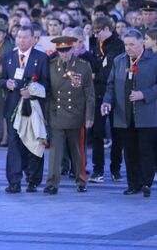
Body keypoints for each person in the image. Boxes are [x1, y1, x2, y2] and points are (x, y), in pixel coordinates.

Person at [102, 29, 157, 197]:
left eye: (132, 44)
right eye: (126, 44)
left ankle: (146, 183)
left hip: (147, 115)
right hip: (124, 114)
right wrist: (106, 101)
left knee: (146, 151)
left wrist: (144, 94)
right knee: (130, 151)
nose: (128, 48)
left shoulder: (153, 61)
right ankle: (133, 184)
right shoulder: (119, 61)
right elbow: (110, 85)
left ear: (142, 44)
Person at [43, 36, 95, 194]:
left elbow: (90, 94)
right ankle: (52, 183)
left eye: (66, 50)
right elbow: (48, 92)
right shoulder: (51, 66)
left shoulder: (83, 66)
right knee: (55, 151)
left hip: (76, 114)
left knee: (77, 151)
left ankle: (81, 180)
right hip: (57, 114)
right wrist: (46, 116)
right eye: (60, 50)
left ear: (73, 49)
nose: (64, 53)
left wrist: (89, 116)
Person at [1, 25, 49, 193]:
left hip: (33, 108)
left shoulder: (41, 58)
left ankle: (33, 179)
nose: (22, 40)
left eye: (25, 37)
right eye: (19, 37)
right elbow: (2, 79)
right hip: (14, 107)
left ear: (33, 39)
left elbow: (46, 83)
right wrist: (6, 83)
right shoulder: (8, 57)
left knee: (33, 142)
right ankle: (14, 181)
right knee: (13, 143)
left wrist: (33, 92)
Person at [90, 16, 125, 182]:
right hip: (98, 94)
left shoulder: (118, 45)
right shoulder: (98, 44)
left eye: (98, 32)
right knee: (97, 132)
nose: (96, 35)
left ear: (106, 29)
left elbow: (112, 69)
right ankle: (98, 170)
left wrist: (96, 75)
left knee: (117, 132)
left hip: (114, 95)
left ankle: (115, 168)